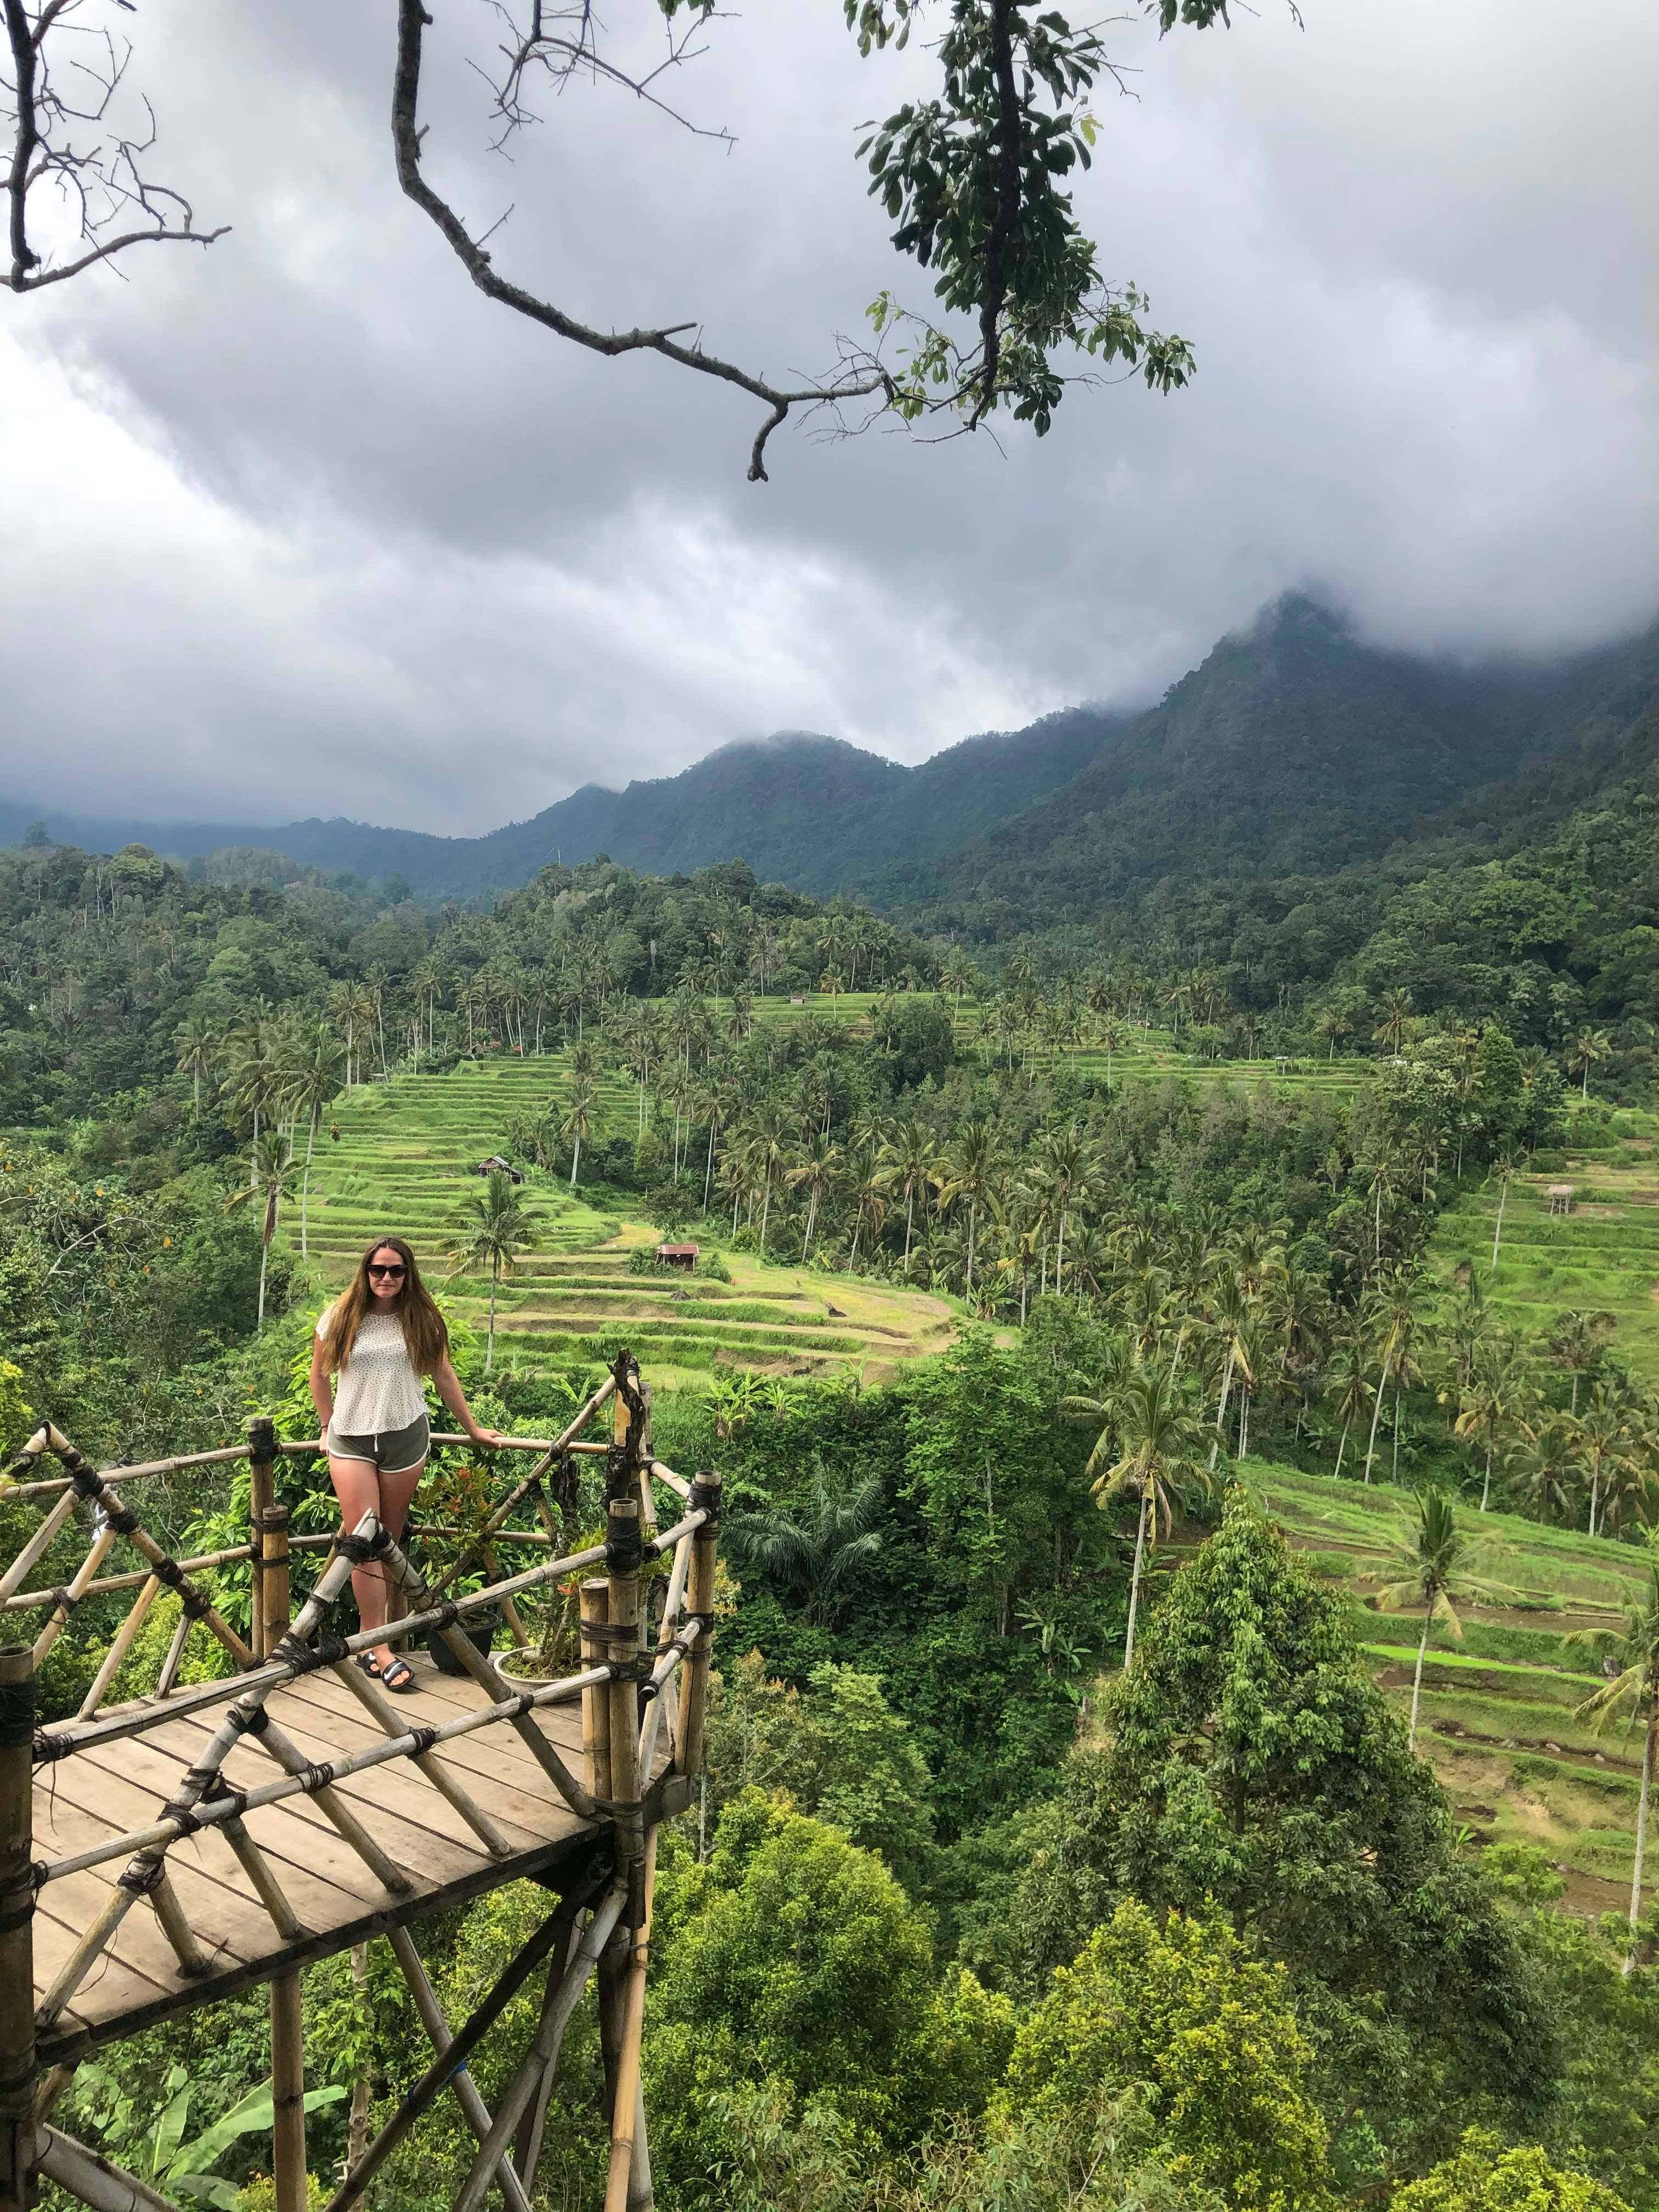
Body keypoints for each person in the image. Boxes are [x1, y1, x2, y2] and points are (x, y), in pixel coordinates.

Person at [308, 1234, 506, 1691]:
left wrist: (473, 1428)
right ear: (365, 1271)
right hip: (351, 1437)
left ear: (408, 1274)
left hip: (405, 1437)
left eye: (396, 1270)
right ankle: (377, 1646)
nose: (386, 1278)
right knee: (363, 1537)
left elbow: (442, 1374)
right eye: (378, 1269)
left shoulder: (421, 1318)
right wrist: (324, 1427)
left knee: (387, 1544)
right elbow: (320, 1374)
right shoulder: (339, 1317)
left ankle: (372, 1640)